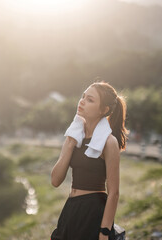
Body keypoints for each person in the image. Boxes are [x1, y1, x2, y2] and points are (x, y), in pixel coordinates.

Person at [50, 81, 128, 240]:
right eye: (83, 96)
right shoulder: (74, 137)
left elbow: (114, 192)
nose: (82, 101)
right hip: (71, 209)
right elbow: (55, 180)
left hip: (93, 211)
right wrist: (71, 143)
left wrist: (104, 231)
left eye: (90, 100)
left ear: (104, 110)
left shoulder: (108, 142)